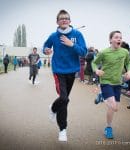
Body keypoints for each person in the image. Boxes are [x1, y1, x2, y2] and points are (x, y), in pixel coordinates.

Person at [42, 9, 87, 142]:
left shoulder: (77, 34)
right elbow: (45, 46)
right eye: (61, 18)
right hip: (58, 70)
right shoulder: (53, 36)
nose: (64, 20)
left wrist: (72, 44)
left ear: (70, 21)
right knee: (64, 98)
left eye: (66, 18)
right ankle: (63, 129)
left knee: (64, 99)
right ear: (57, 21)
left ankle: (53, 107)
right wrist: (46, 50)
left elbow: (83, 52)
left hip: (72, 70)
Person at [92, 31, 130, 139]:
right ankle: (109, 128)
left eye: (120, 37)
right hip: (106, 81)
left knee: (114, 108)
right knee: (113, 106)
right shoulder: (104, 52)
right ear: (110, 40)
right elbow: (94, 63)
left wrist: (129, 71)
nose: (119, 39)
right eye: (116, 37)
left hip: (117, 83)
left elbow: (128, 63)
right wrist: (96, 70)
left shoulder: (125, 52)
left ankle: (108, 126)